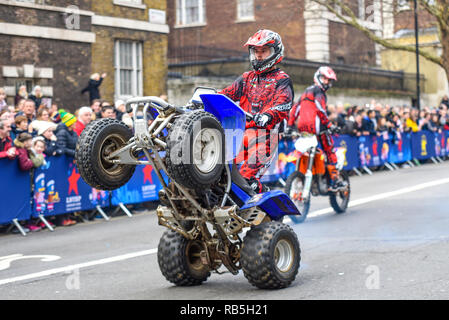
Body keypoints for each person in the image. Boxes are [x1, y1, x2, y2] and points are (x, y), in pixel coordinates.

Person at [218, 29, 293, 193]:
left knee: (245, 179)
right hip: (239, 133)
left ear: (275, 51)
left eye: (264, 51)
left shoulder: (282, 79)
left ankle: (263, 206)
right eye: (256, 51)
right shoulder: (246, 78)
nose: (259, 55)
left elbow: (284, 104)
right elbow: (226, 94)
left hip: (265, 137)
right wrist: (205, 99)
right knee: (220, 175)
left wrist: (268, 115)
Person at [288, 66, 345, 192]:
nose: (326, 82)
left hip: (304, 131)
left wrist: (290, 126)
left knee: (317, 152)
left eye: (329, 80)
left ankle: (331, 178)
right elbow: (320, 109)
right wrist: (330, 125)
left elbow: (295, 109)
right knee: (329, 151)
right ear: (318, 77)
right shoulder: (319, 92)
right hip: (319, 130)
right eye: (324, 79)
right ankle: (335, 181)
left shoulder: (305, 92)